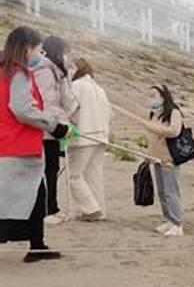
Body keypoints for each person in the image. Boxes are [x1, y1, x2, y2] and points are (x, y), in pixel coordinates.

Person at [0, 26, 72, 262]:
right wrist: (53, 124)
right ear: (27, 48)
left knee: (35, 197)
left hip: (9, 144)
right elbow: (22, 109)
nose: (40, 54)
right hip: (17, 146)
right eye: (39, 49)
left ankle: (37, 246)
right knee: (16, 201)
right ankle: (36, 246)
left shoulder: (4, 71)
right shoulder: (17, 73)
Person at [32, 35, 78, 225]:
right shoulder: (44, 70)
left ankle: (50, 207)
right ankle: (48, 209)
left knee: (51, 170)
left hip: (51, 128)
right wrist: (58, 126)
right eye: (65, 53)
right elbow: (47, 102)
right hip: (46, 129)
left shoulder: (55, 71)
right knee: (47, 171)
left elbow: (64, 98)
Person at [133, 85, 184, 237]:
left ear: (163, 96)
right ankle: (168, 219)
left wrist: (151, 127)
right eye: (151, 96)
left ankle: (177, 223)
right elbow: (153, 139)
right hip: (156, 158)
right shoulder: (155, 114)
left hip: (169, 159)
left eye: (155, 95)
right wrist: (148, 155)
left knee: (171, 192)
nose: (153, 99)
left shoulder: (174, 112)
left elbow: (174, 131)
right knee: (161, 192)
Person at [68, 58, 112, 221]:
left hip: (84, 136)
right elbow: (110, 112)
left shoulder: (76, 86)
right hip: (101, 135)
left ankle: (91, 209)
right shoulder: (99, 89)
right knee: (93, 174)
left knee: (74, 175)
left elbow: (69, 109)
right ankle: (99, 210)